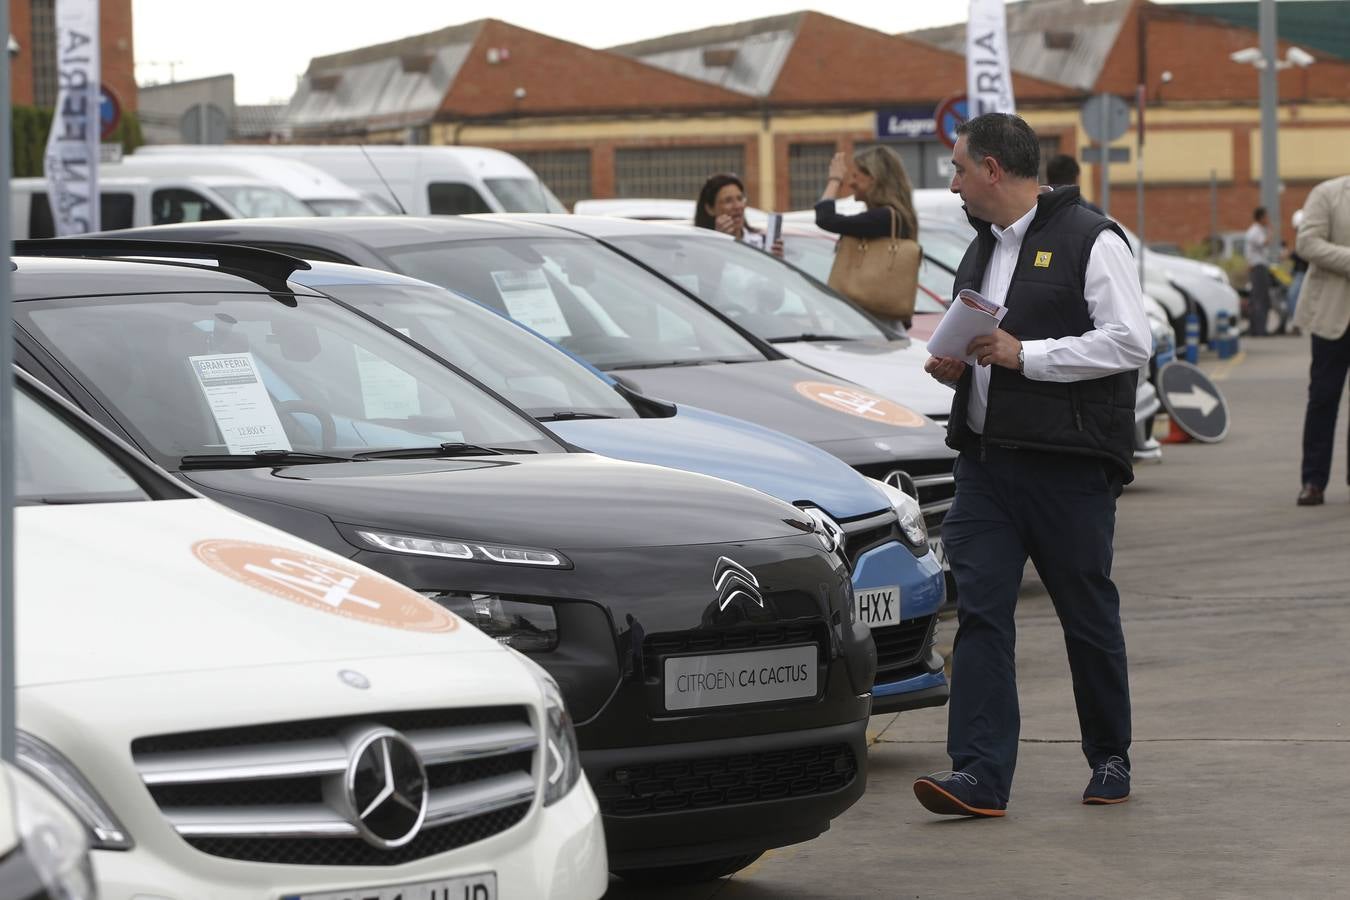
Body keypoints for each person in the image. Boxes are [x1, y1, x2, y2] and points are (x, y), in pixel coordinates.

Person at [915, 113, 1152, 818]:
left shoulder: (1092, 238)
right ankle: (979, 776)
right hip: (987, 465)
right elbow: (987, 335)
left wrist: (1028, 357)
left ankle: (1109, 754)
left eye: (958, 168)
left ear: (992, 169)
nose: (951, 182)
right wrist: (959, 367)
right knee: (983, 615)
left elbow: (1129, 340)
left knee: (1086, 614)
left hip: (1069, 466)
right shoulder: (981, 247)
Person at [1293, 174, 1350, 507]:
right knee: (1324, 399)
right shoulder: (1328, 194)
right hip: (1332, 317)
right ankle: (1313, 480)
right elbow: (1308, 243)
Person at [814, 145, 920, 326]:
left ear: (873, 178)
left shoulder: (883, 217)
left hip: (872, 325)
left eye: (855, 176)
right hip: (879, 321)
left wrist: (834, 180)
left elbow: (826, 218)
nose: (851, 183)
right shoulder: (895, 215)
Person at [694, 173, 782, 257]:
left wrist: (776, 261)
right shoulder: (698, 247)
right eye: (728, 201)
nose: (737, 206)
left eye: (740, 199)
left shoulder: (763, 243)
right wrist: (720, 242)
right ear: (710, 209)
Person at [1245, 207, 1272, 336]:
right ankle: (1259, 330)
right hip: (1258, 267)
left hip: (1259, 266)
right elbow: (1264, 243)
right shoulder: (1255, 231)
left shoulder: (1258, 230)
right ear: (1261, 217)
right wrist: (1271, 232)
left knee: (1260, 298)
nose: (1268, 220)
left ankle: (1258, 328)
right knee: (1260, 298)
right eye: (1266, 217)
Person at [1288, 208, 1308, 331]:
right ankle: (1297, 324)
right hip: (1299, 271)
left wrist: (1291, 254)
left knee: (1293, 296)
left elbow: (1303, 254)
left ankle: (1297, 324)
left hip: (1303, 272)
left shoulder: (1305, 238)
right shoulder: (1301, 237)